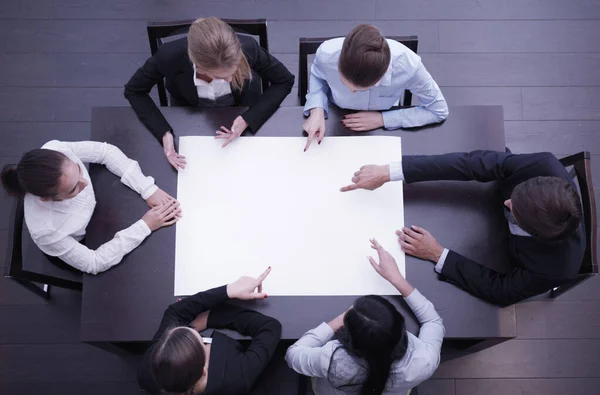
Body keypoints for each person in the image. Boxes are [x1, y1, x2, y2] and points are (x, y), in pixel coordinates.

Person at [340, 151, 586, 306]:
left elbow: (500, 290)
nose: (507, 202)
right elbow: (471, 164)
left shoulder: (557, 268)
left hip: (498, 257)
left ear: (532, 232)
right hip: (476, 200)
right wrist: (390, 171)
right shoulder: (542, 166)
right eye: (515, 196)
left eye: (515, 210)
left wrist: (437, 254)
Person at [125, 17, 295, 169]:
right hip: (188, 111)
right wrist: (164, 133)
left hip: (241, 107)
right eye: (219, 76)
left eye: (234, 71)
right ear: (197, 65)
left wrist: (248, 118)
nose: (229, 80)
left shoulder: (249, 48)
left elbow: (284, 80)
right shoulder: (168, 56)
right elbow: (134, 91)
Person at [286, 239, 444, 395]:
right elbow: (433, 321)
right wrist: (397, 278)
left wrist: (341, 319)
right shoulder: (423, 362)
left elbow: (292, 355)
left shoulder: (332, 360)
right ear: (399, 327)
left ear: (349, 336)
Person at [1, 140, 181, 274]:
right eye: (73, 189)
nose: (86, 183)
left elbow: (106, 152)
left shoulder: (56, 150)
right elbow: (94, 263)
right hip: (83, 241)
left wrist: (147, 188)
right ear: (47, 199)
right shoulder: (46, 231)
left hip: (100, 212)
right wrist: (145, 225)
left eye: (79, 171)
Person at [138, 267, 281, 395]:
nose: (191, 327)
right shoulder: (237, 376)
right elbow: (270, 327)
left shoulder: (149, 368)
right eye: (200, 339)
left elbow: (175, 313)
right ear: (204, 371)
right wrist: (211, 318)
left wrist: (228, 291)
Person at [302, 24, 448, 151]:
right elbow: (317, 74)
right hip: (336, 112)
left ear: (382, 75)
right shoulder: (327, 52)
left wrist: (384, 120)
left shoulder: (409, 66)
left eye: (361, 89)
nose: (351, 92)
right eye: (343, 81)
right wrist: (317, 108)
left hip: (382, 118)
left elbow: (438, 110)